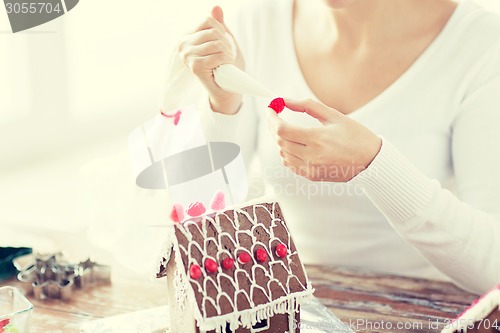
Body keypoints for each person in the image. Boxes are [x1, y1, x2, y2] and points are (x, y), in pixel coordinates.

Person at [176, 0, 500, 294]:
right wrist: (223, 103)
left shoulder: (480, 44)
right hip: (292, 305)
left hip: (426, 310)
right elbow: (197, 220)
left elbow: (492, 267)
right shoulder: (254, 24)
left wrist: (374, 164)